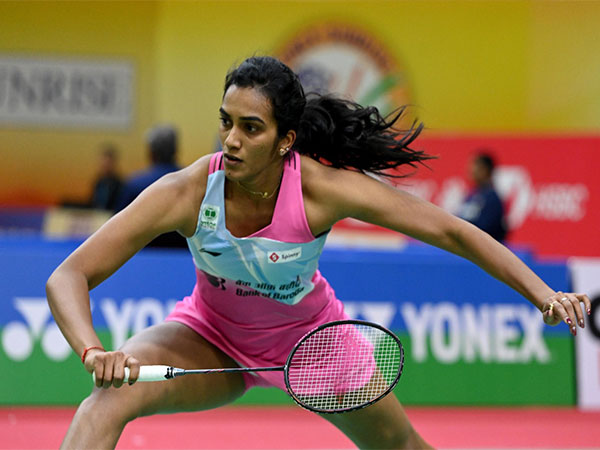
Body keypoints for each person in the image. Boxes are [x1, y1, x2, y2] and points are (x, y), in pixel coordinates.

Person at [46, 56, 591, 449]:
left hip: (313, 347)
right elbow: (69, 275)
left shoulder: (320, 190)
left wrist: (541, 293)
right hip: (209, 338)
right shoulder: (187, 192)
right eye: (226, 122)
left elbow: (453, 232)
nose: (230, 140)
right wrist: (94, 351)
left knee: (398, 444)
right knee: (106, 402)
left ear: (285, 140)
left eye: (250, 128)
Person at [115, 124, 187, 247]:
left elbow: (117, 228)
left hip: (142, 258)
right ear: (175, 150)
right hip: (186, 258)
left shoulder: (133, 185)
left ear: (151, 152)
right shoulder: (194, 183)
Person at [458, 151, 507, 242]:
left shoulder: (492, 199)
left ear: (486, 170)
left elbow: (486, 229)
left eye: (476, 166)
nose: (471, 170)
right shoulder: (470, 196)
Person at [89, 144, 123, 211]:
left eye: (107, 163)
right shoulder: (98, 181)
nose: (105, 165)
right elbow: (92, 202)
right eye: (103, 162)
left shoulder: (119, 183)